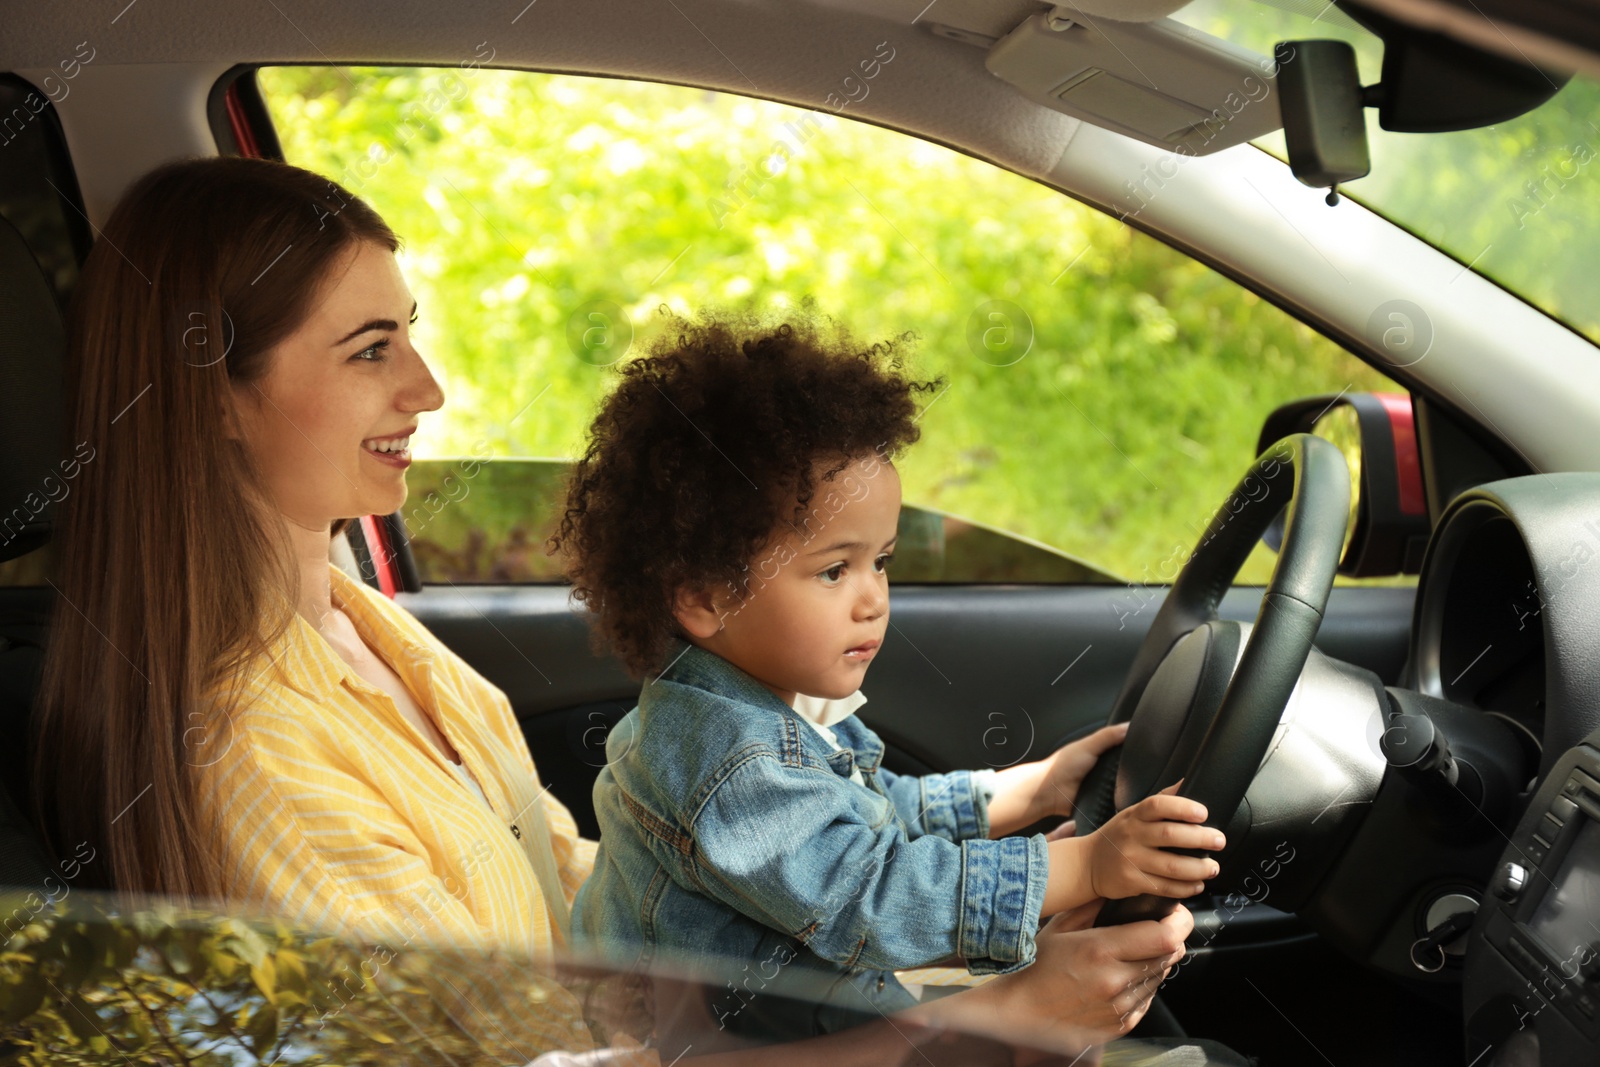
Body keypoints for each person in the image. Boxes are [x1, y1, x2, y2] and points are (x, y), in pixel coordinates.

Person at [28, 155, 1236, 1065]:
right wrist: (995, 1017)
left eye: (415, 338)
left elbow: (603, 890)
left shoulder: (357, 619)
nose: (429, 388)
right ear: (216, 397)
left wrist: (967, 879)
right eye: (368, 350)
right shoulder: (257, 755)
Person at [554, 316, 1225, 1043]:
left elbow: (877, 812)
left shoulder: (784, 701)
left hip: (806, 998)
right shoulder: (726, 760)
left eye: (883, 560)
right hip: (715, 1041)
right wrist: (1088, 863)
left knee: (1070, 970)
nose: (873, 596)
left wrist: (1033, 788)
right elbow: (872, 894)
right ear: (706, 596)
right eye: (835, 569)